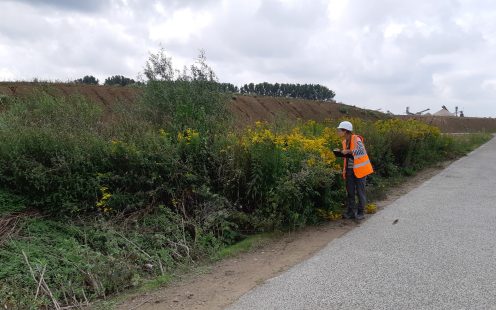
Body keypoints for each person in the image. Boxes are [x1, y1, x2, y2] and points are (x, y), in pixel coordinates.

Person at [335, 121, 374, 220]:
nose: (338, 132)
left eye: (340, 130)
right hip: (349, 170)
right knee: (350, 192)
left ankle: (360, 212)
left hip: (360, 170)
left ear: (346, 131)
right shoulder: (344, 142)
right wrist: (341, 153)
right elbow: (349, 157)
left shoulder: (356, 139)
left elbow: (362, 151)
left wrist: (349, 151)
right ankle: (350, 212)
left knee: (360, 192)